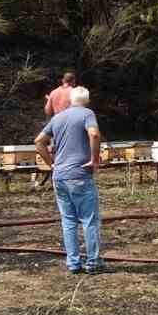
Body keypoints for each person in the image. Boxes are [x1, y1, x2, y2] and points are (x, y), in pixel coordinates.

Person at [35, 85, 105, 274]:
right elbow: (94, 133)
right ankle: (93, 262)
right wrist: (94, 159)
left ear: (70, 101)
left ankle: (73, 263)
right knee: (89, 220)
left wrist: (52, 164)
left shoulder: (58, 117)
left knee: (68, 221)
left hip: (60, 177)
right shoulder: (87, 114)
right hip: (79, 175)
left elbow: (38, 141)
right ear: (87, 100)